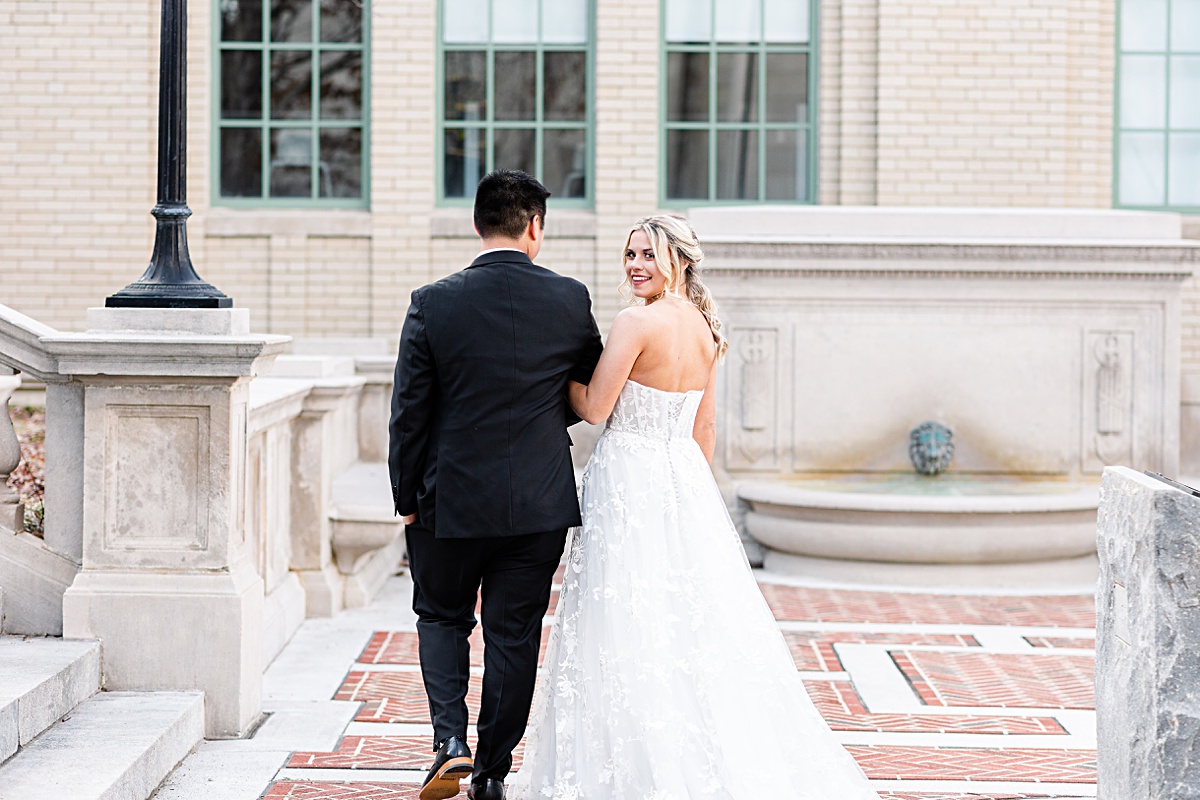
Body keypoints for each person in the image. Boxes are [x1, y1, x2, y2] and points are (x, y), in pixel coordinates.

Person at [512, 215, 881, 799]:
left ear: (679, 261)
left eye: (648, 255)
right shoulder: (707, 327)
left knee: (623, 616)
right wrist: (684, 494)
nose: (635, 265)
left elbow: (595, 408)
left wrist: (550, 375)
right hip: (681, 481)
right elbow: (703, 430)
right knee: (685, 618)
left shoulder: (636, 322)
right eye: (630, 254)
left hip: (629, 476)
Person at [389, 169, 603, 800]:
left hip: (447, 498)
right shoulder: (569, 298)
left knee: (441, 616)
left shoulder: (433, 301)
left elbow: (408, 412)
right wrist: (537, 413)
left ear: (476, 223)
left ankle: (448, 742)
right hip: (536, 502)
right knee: (515, 635)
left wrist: (406, 497)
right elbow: (585, 388)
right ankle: (491, 773)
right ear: (535, 226)